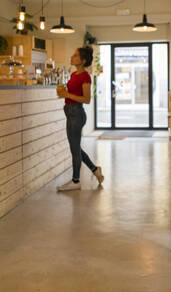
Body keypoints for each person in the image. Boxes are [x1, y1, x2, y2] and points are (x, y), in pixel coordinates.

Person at [56, 46, 104, 191]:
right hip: (70, 113)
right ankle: (95, 170)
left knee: (74, 149)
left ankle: (76, 181)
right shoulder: (74, 74)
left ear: (82, 61)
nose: (72, 56)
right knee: (75, 148)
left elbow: (87, 99)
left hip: (77, 114)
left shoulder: (85, 77)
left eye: (75, 55)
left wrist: (68, 95)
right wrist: (65, 92)